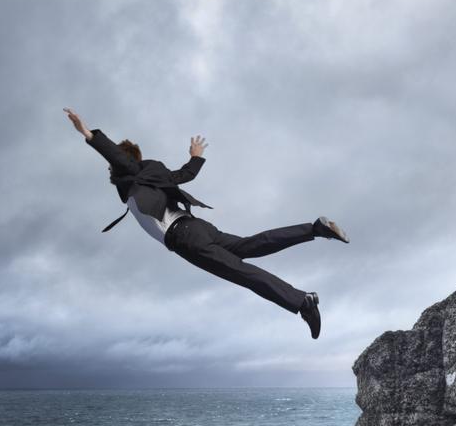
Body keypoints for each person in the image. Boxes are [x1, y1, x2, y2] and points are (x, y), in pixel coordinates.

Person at [63, 108, 349, 339]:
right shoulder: (151, 173)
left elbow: (117, 158)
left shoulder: (131, 175)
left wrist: (88, 134)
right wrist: (195, 158)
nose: (111, 169)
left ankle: (302, 301)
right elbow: (184, 176)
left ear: (122, 161)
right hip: (197, 227)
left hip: (185, 238)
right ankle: (315, 228)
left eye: (113, 164)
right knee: (250, 246)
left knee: (242, 273)